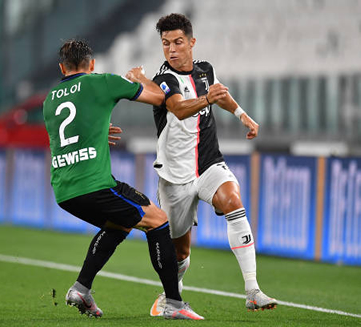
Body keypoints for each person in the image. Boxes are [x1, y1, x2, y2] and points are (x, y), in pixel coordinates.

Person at [125, 13, 278, 315]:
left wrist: (243, 116)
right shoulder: (163, 81)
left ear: (191, 42)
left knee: (232, 200)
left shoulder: (205, 70)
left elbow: (220, 95)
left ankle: (252, 290)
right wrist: (208, 98)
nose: (171, 49)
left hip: (208, 164)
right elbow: (180, 109)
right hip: (175, 177)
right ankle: (172, 295)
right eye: (165, 43)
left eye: (178, 42)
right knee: (180, 252)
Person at [43, 39, 203, 320]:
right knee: (158, 220)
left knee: (119, 226)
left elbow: (66, 135)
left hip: (64, 191)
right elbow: (156, 97)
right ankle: (174, 304)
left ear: (61, 67)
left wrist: (96, 131)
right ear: (91, 64)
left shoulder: (50, 98)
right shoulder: (102, 82)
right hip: (95, 185)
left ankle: (81, 288)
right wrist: (140, 78)